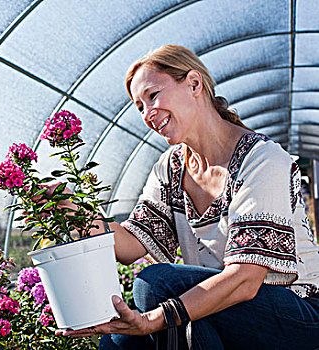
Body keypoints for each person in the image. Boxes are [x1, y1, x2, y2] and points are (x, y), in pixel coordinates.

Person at [57, 45, 319, 349]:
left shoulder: (262, 160)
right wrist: (72, 210)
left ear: (194, 84)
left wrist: (153, 320)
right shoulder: (171, 168)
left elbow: (245, 280)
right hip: (224, 306)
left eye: (152, 96)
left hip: (301, 313)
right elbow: (130, 244)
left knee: (156, 285)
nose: (146, 114)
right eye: (139, 106)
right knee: (118, 341)